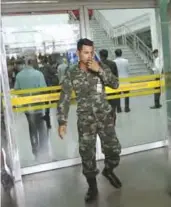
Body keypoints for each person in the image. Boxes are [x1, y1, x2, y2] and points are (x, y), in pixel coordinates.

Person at [57, 38, 122, 202]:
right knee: (87, 155)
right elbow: (64, 97)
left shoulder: (100, 67)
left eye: (91, 52)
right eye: (86, 52)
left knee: (114, 150)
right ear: (78, 53)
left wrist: (99, 69)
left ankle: (108, 170)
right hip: (86, 121)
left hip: (105, 118)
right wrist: (62, 122)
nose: (89, 56)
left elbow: (115, 84)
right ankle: (92, 187)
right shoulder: (71, 72)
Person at [15, 53, 49, 160]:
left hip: (27, 108)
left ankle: (35, 152)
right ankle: (44, 151)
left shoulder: (19, 75)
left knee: (32, 129)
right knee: (41, 129)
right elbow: (44, 89)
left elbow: (17, 91)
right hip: (38, 106)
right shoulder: (38, 74)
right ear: (33, 62)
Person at [99, 49, 119, 114]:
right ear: (107, 55)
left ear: (100, 56)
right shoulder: (113, 63)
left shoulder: (97, 64)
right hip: (112, 87)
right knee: (112, 107)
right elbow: (116, 76)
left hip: (101, 89)